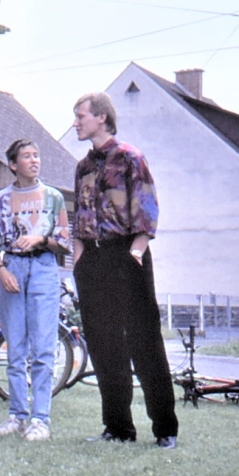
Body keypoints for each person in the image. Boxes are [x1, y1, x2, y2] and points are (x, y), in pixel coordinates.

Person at [71, 93, 178, 449]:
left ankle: (165, 429)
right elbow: (80, 222)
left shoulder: (131, 158)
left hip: (127, 254)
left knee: (144, 342)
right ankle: (118, 428)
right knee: (104, 345)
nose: (76, 122)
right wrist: (79, 261)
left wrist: (135, 252)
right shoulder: (83, 166)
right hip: (94, 260)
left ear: (101, 117)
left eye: (81, 116)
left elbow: (147, 209)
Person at [0, 139, 71, 442]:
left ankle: (40, 419)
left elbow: (64, 242)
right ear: (13, 164)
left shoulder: (54, 198)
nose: (34, 161)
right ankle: (18, 414)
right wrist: (1, 270)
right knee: (15, 346)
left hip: (44, 268)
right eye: (26, 156)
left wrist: (40, 240)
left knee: (44, 346)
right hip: (13, 269)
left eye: (37, 155)